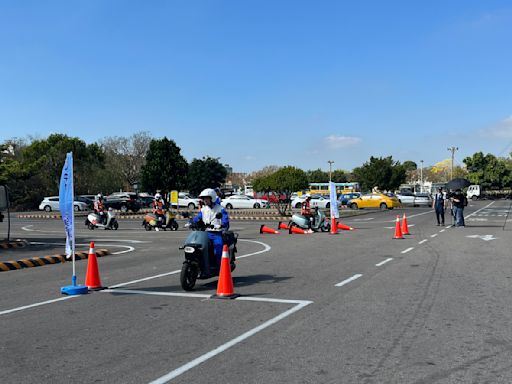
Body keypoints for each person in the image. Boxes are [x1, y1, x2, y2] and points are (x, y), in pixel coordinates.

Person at [193, 188, 230, 276]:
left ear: (212, 198)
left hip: (216, 234)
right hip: (204, 234)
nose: (205, 200)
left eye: (206, 198)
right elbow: (198, 217)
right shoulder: (203, 209)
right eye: (204, 198)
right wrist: (191, 221)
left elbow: (225, 220)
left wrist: (222, 225)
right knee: (196, 248)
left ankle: (219, 270)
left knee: (218, 249)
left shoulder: (220, 209)